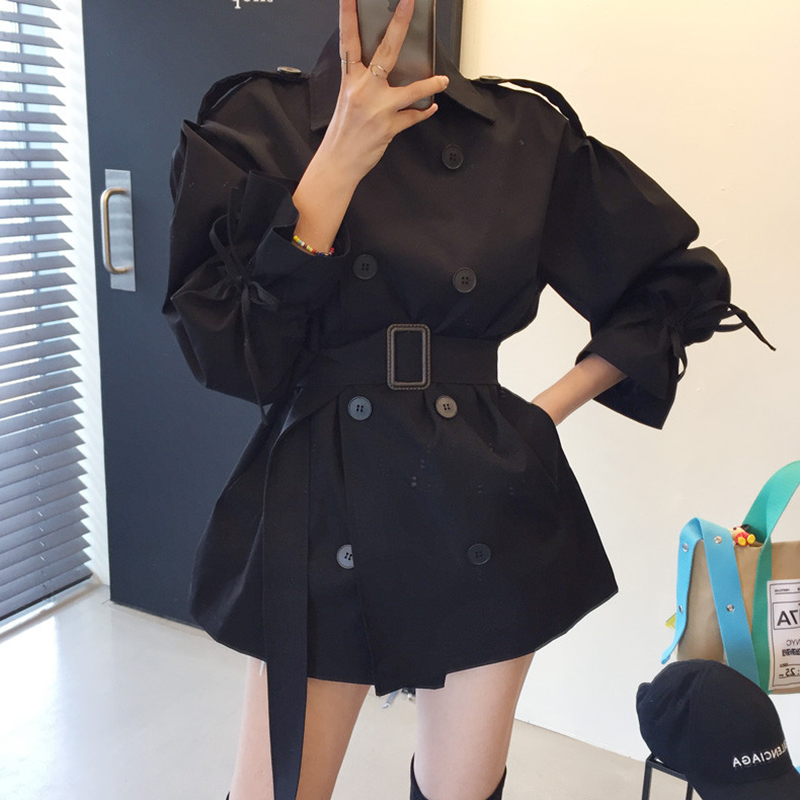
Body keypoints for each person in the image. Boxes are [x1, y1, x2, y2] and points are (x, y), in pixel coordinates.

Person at [163, 1, 773, 799]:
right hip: (320, 496)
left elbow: (675, 283)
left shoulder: (524, 133)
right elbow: (229, 349)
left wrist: (545, 410)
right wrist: (336, 161)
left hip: (483, 501)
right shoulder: (256, 121)